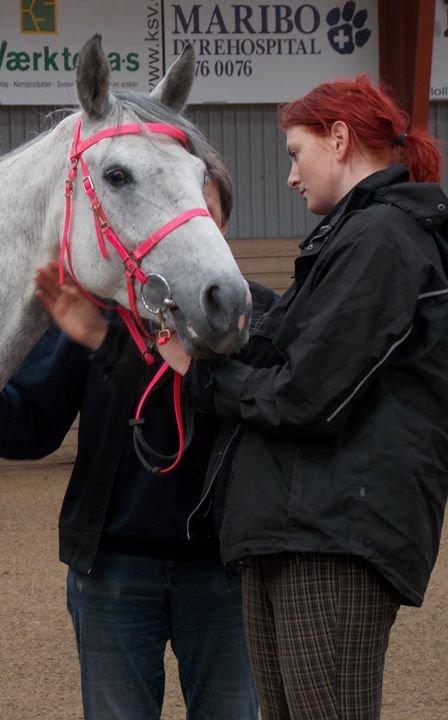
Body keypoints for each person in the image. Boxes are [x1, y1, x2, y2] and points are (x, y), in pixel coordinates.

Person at [182, 76, 448, 719]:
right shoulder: (351, 239)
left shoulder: (385, 237)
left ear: (339, 138)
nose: (293, 177)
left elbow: (308, 396)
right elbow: (278, 357)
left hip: (333, 536)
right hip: (295, 526)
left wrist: (206, 381)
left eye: (296, 155)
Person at [0, 154, 273, 720]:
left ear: (221, 229)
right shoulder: (99, 315)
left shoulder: (258, 318)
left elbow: (258, 409)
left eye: (204, 218)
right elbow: (32, 427)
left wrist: (103, 342)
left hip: (223, 573)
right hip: (113, 570)